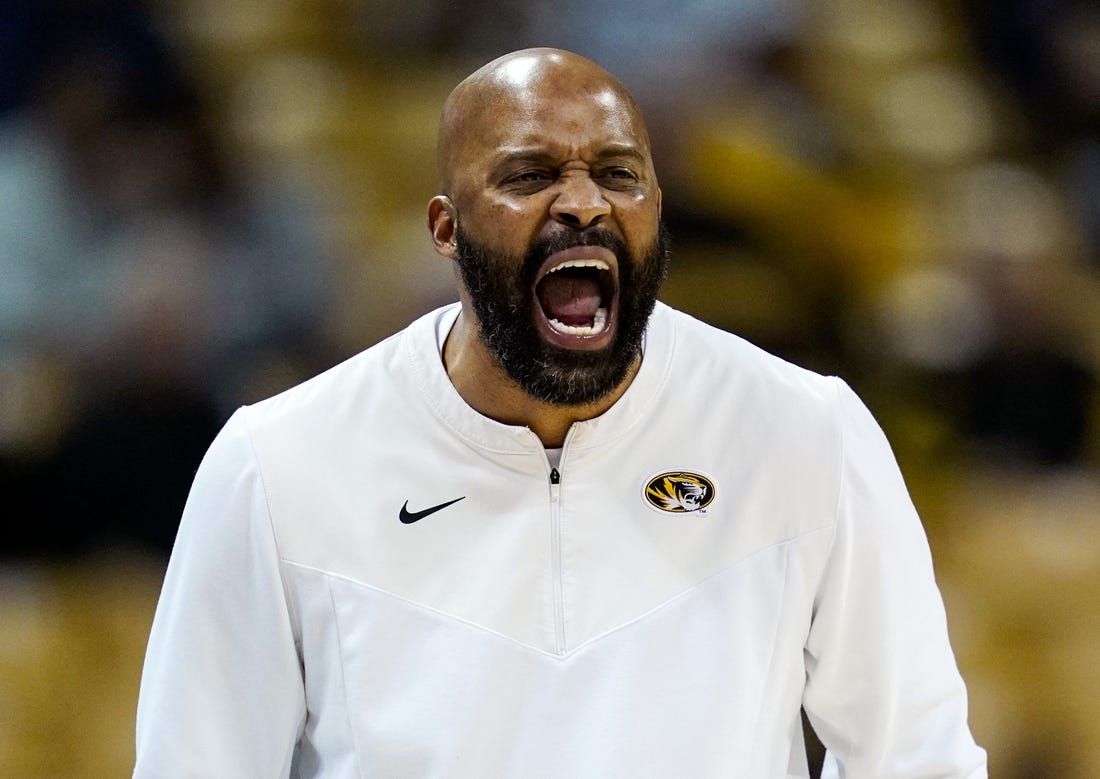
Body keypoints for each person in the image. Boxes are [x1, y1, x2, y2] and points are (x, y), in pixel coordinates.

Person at [134, 48, 987, 778]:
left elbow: (916, 753)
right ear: (445, 228)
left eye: (618, 174)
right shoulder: (278, 462)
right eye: (529, 175)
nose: (583, 203)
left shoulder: (806, 431)